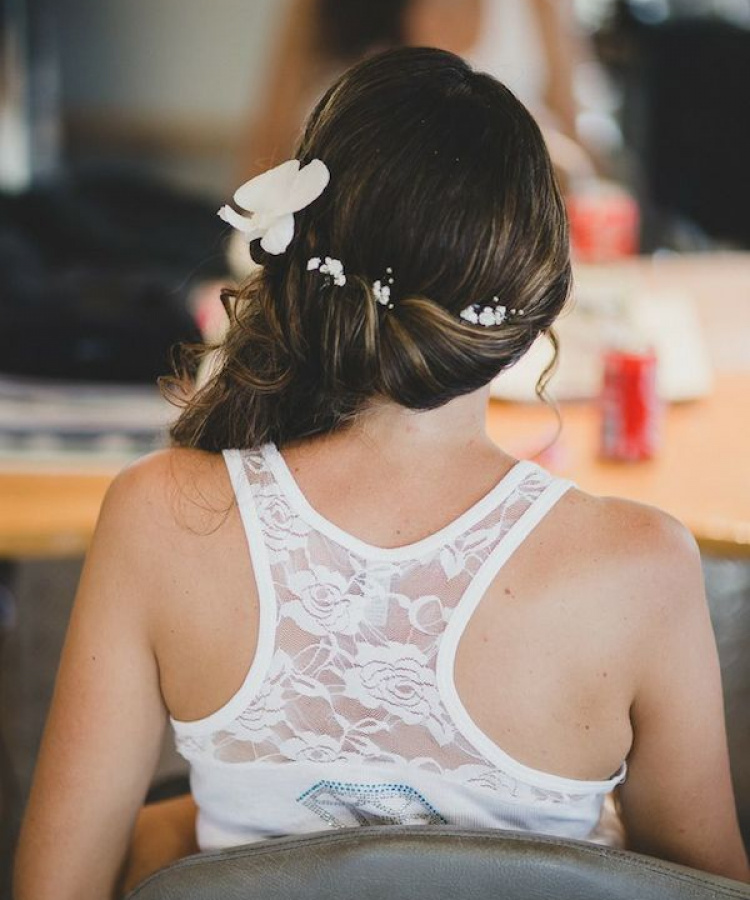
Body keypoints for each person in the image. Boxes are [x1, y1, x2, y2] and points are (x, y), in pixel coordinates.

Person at [14, 48, 748, 899]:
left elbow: (55, 886)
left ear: (295, 258)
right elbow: (704, 888)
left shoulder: (159, 515)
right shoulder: (642, 569)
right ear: (541, 306)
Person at [238, 0, 595, 183]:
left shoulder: (534, 8)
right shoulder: (327, 11)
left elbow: (577, 158)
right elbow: (263, 154)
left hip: (494, 251)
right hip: (348, 248)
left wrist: (543, 150)